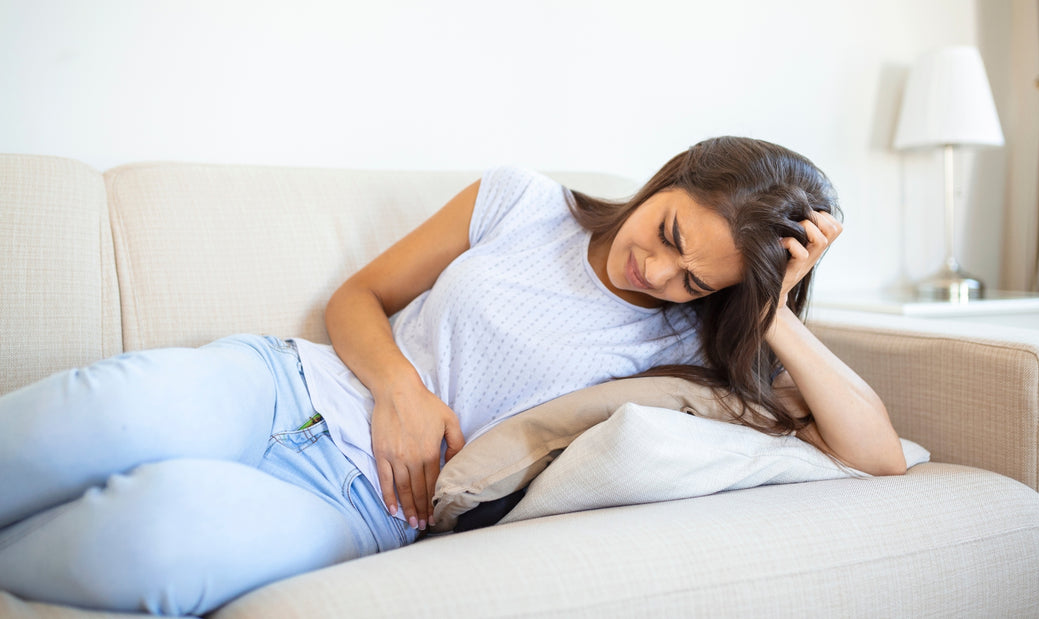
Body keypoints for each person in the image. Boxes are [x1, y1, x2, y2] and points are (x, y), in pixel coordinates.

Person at [0, 136, 905, 616]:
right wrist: (400, 388)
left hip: (361, 510)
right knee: (103, 414)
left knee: (159, 536)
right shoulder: (520, 199)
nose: (659, 275)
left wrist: (774, 310)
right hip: (283, 384)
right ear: (670, 178)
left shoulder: (689, 350)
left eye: (695, 278)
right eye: (669, 236)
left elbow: (876, 456)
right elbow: (358, 296)